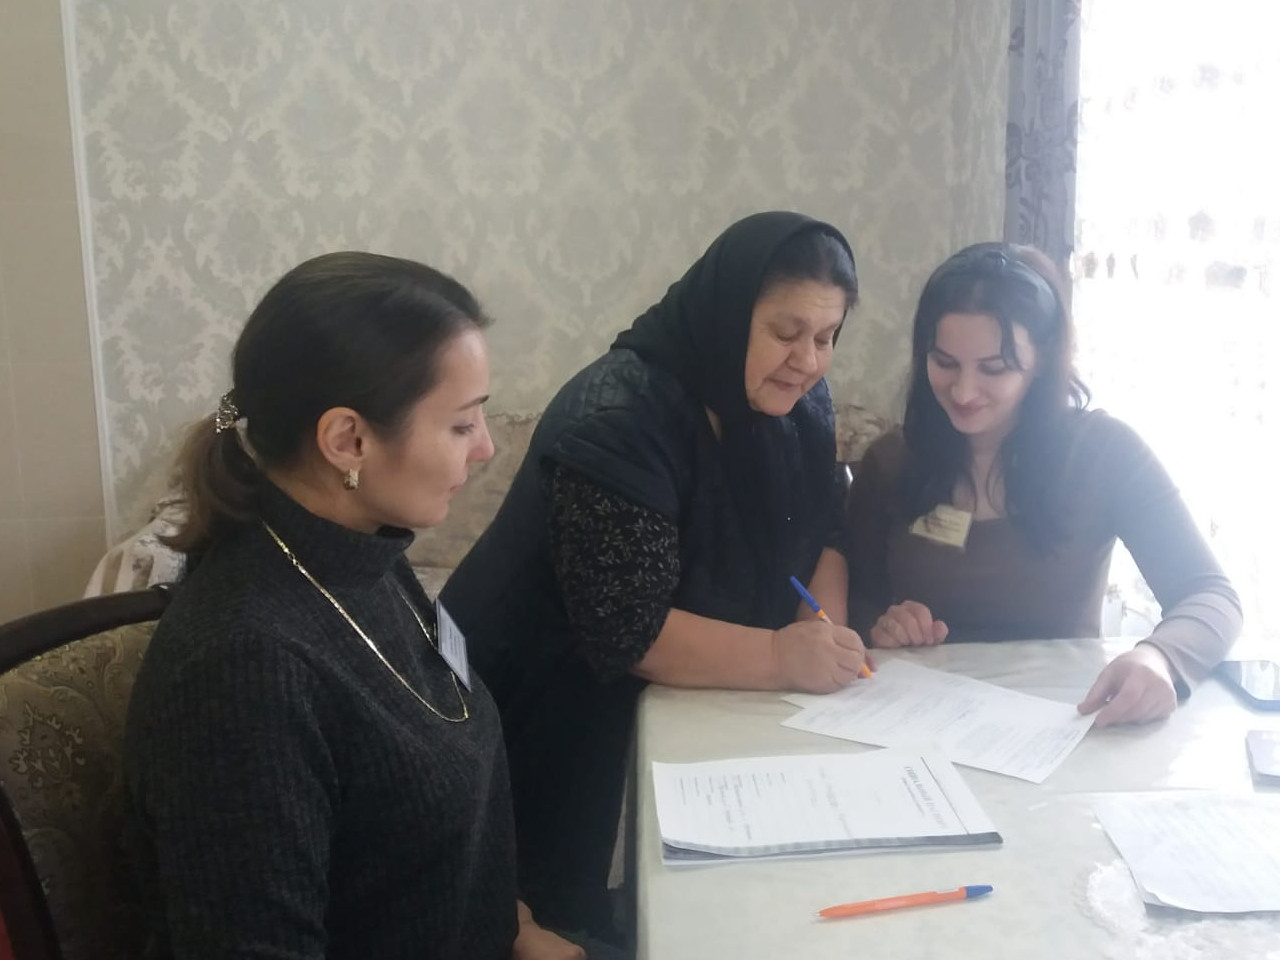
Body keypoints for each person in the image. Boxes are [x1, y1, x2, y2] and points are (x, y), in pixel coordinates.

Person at [123, 252, 587, 960]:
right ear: (348, 440)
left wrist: (513, 927)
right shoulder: (245, 670)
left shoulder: (365, 553)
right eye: (462, 424)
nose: (487, 449)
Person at [440, 211, 870, 940]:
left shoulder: (798, 402)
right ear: (729, 314)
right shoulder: (618, 419)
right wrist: (780, 656)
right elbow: (627, 629)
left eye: (827, 337)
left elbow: (827, 527)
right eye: (786, 332)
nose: (807, 360)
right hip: (530, 695)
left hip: (673, 687)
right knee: (550, 907)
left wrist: (818, 629)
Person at [844, 242, 1242, 727]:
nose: (963, 391)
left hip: (1063, 723)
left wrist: (1160, 657)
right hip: (916, 725)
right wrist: (882, 626)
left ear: (1043, 358)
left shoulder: (1104, 452)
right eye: (944, 362)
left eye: (994, 368)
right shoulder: (891, 460)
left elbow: (1209, 594)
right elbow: (852, 601)